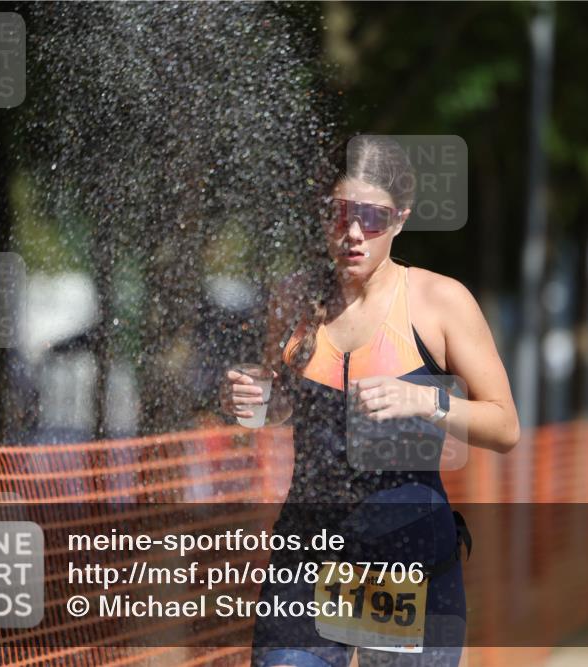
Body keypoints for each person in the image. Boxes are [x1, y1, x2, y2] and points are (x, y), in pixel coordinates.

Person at [220, 135, 519, 667]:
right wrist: (253, 403)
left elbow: (504, 426)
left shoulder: (438, 302)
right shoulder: (293, 300)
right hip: (308, 556)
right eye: (340, 214)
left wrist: (427, 402)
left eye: (373, 218)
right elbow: (286, 408)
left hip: (403, 558)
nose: (354, 233)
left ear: (400, 220)